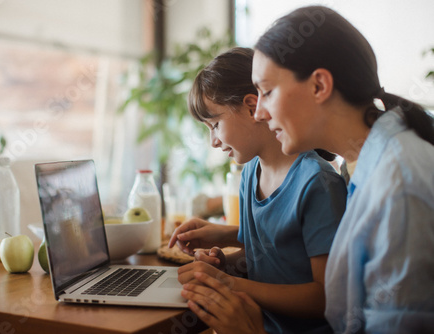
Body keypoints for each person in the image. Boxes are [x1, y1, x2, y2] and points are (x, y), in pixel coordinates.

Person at [185, 5, 434, 333]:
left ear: (319, 86)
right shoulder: (365, 168)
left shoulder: (398, 185)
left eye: (267, 92)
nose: (258, 112)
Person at [169, 47, 348, 334]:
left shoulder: (317, 184)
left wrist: (230, 283)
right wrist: (223, 264)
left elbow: (325, 297)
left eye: (215, 124)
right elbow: (274, 261)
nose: (213, 141)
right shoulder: (251, 173)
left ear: (253, 108)